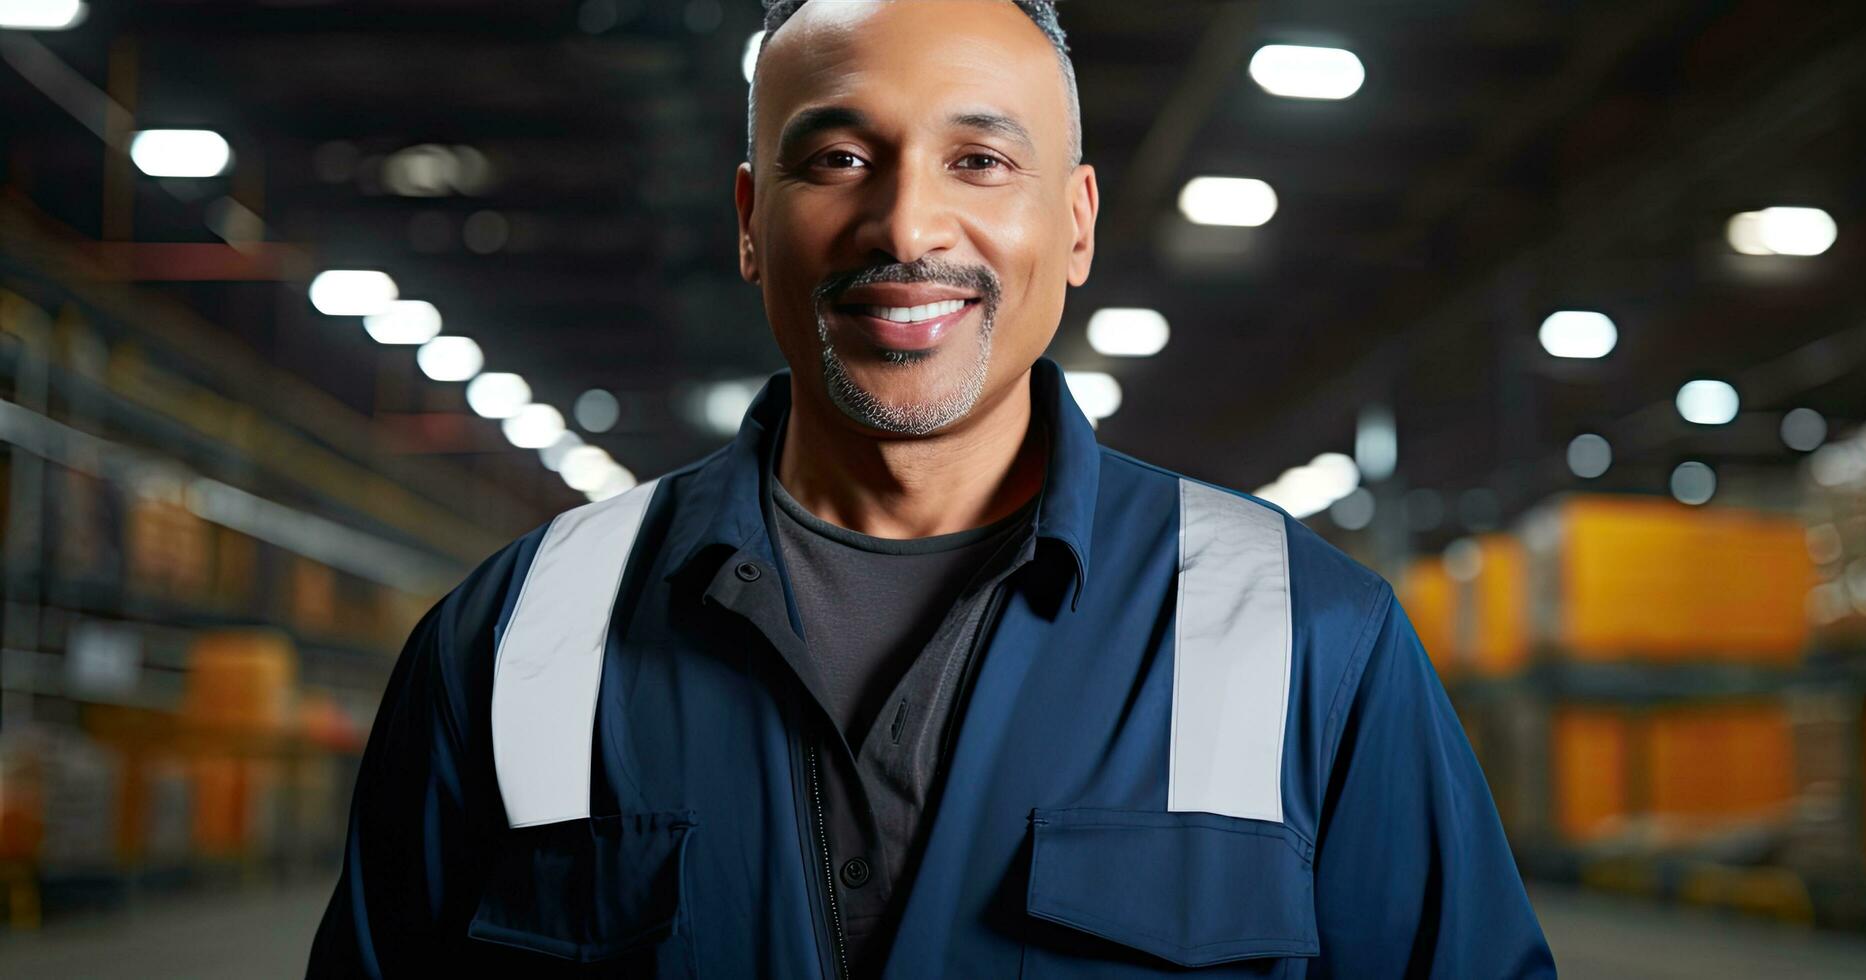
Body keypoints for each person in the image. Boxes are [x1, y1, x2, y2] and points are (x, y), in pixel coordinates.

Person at [308, 1, 1552, 976]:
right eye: (840, 157)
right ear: (750, 221)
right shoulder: (512, 639)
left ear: (1073, 223)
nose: (906, 225)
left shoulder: (1311, 640)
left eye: (979, 160)